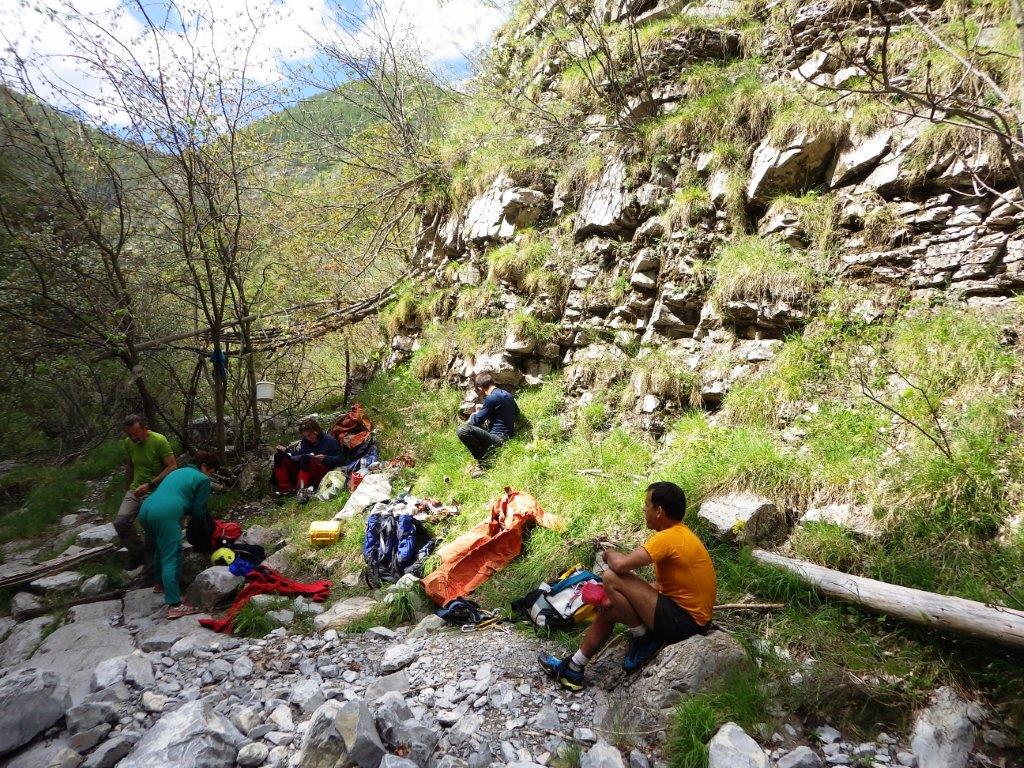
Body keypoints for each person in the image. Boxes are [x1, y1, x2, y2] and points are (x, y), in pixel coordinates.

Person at [539, 481, 716, 691]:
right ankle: (574, 667)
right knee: (609, 610)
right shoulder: (680, 535)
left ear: (659, 511)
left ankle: (643, 639)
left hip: (685, 623)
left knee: (611, 576)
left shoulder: (668, 538)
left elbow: (620, 566)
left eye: (647, 504)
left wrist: (609, 553)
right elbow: (663, 586)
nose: (644, 509)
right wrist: (616, 598)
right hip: (683, 617)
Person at [138, 450, 221, 619]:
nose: (210, 475)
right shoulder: (202, 479)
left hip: (146, 509)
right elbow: (198, 511)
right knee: (172, 556)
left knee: (161, 547)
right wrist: (209, 533)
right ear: (204, 466)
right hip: (165, 514)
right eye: (211, 471)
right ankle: (175, 605)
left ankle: (159, 583)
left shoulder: (178, 471)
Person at [115, 414, 177, 571]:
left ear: (145, 428)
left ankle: (151, 567)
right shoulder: (129, 443)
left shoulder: (159, 440)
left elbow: (172, 466)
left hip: (156, 490)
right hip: (136, 489)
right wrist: (128, 488)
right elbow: (130, 465)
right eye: (130, 434)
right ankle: (137, 553)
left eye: (136, 433)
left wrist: (150, 484)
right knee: (121, 523)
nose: (133, 437)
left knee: (150, 525)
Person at [456, 373, 519, 473]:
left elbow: (476, 421)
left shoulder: (491, 398)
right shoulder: (508, 395)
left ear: (480, 388)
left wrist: (475, 414)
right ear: (492, 382)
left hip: (498, 439)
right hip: (508, 436)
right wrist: (488, 410)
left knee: (462, 430)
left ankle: (484, 460)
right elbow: (516, 412)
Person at [273, 417, 343, 502]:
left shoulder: (329, 441)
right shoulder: (305, 442)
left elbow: (340, 459)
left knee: (306, 458)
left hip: (321, 472)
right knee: (279, 456)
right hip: (305, 471)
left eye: (309, 435)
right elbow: (300, 455)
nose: (307, 438)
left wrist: (326, 458)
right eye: (305, 436)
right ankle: (286, 489)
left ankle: (301, 491)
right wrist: (286, 451)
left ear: (316, 432)